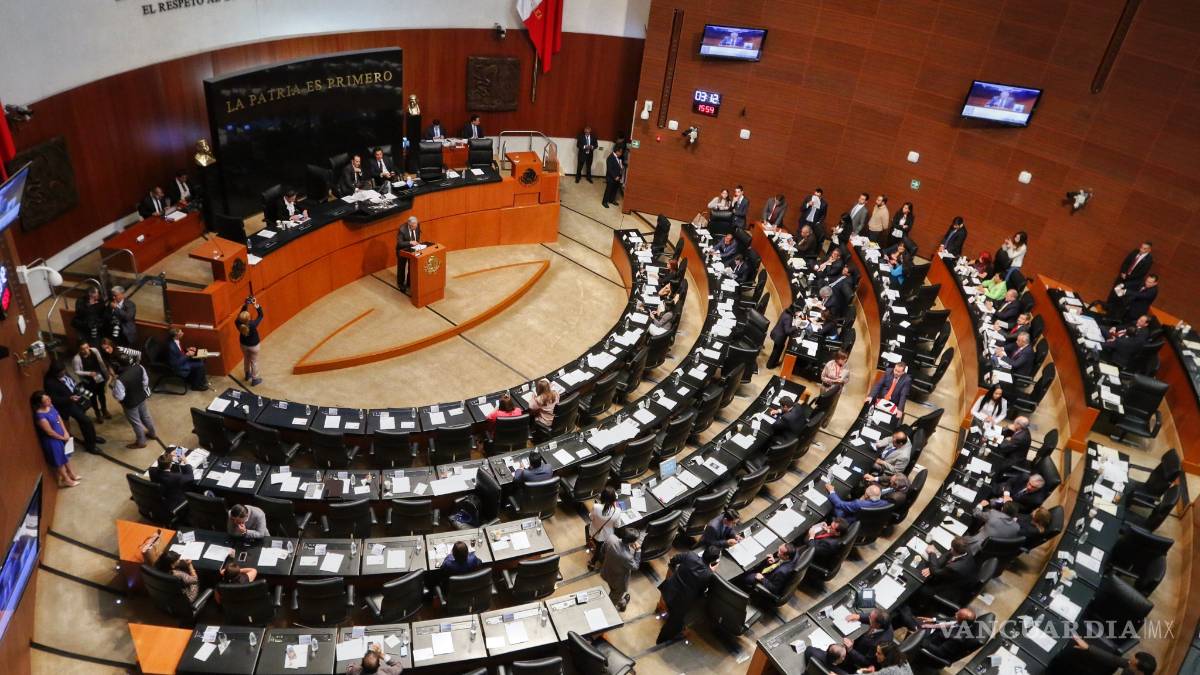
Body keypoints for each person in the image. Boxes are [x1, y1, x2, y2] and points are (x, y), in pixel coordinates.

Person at [656, 546, 720, 643]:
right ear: (714, 561)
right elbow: (701, 592)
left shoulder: (690, 555)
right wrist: (710, 571)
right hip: (680, 603)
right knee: (676, 622)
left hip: (668, 590)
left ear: (703, 553)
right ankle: (662, 640)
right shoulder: (709, 575)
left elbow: (673, 560)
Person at [43, 360, 103, 454]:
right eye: (61, 373)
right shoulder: (49, 383)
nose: (64, 373)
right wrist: (69, 398)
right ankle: (90, 446)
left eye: (64, 371)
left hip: (75, 399)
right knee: (86, 421)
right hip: (67, 405)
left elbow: (70, 382)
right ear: (55, 373)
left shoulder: (63, 373)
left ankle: (93, 438)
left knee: (84, 422)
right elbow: (54, 400)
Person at [31, 391, 82, 488]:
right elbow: (49, 432)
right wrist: (63, 438)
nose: (49, 400)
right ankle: (66, 480)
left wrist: (65, 432)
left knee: (66, 457)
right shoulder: (40, 416)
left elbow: (59, 419)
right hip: (52, 441)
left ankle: (72, 474)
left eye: (48, 398)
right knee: (60, 461)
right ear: (40, 403)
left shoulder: (51, 406)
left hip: (62, 436)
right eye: (46, 400)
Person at [913, 537, 977, 609]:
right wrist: (933, 566)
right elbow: (948, 554)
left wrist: (932, 553)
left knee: (923, 589)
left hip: (953, 587)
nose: (950, 549)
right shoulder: (965, 549)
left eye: (952, 548)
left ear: (954, 550)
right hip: (963, 577)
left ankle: (919, 606)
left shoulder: (955, 567)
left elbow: (936, 572)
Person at [111, 356, 158, 449]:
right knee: (146, 416)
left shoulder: (120, 380)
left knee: (136, 422)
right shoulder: (139, 367)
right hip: (141, 397)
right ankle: (152, 433)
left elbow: (120, 396)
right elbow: (145, 382)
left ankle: (141, 442)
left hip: (130, 403)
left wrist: (113, 389)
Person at [1066, 636, 1156, 675]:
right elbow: (1114, 659)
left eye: (1132, 664)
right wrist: (1088, 647)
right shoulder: (1132, 665)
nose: (1129, 662)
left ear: (1140, 673)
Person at [734, 542, 799, 595]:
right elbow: (780, 563)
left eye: (780, 551)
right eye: (779, 548)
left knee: (745, 576)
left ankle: (737, 585)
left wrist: (762, 579)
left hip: (765, 578)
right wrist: (774, 562)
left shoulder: (782, 571)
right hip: (770, 571)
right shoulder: (792, 556)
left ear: (786, 556)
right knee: (758, 564)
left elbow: (775, 589)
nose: (777, 550)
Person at [600, 529, 640, 612]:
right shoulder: (627, 557)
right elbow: (635, 567)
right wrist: (638, 551)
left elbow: (602, 550)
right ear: (632, 542)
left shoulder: (611, 538)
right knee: (612, 600)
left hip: (607, 572)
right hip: (618, 582)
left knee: (614, 592)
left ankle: (621, 602)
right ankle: (614, 608)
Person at [72, 341, 111, 422]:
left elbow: (101, 362)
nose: (86, 350)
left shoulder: (94, 351)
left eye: (87, 347)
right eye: (83, 349)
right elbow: (76, 371)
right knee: (92, 397)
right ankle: (97, 413)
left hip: (98, 376)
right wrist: (89, 373)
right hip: (88, 380)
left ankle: (104, 410)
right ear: (79, 350)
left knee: (102, 395)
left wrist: (106, 373)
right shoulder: (76, 359)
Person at [588, 486, 622, 569]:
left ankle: (593, 562)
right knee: (599, 548)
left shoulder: (596, 507)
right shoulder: (617, 511)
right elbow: (617, 525)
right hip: (607, 535)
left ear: (602, 497)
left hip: (594, 531)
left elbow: (591, 517)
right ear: (614, 499)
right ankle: (594, 561)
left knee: (598, 546)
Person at [766, 301, 806, 369]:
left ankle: (771, 363)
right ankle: (770, 365)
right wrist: (796, 326)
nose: (799, 313)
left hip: (776, 333)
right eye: (798, 312)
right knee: (776, 352)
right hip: (779, 337)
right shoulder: (788, 317)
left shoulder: (786, 311)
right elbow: (787, 331)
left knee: (776, 350)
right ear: (795, 310)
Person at [980, 473, 1047, 513]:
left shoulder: (1036, 500)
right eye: (1029, 483)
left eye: (1033, 487)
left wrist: (1009, 501)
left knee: (990, 505)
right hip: (1008, 492)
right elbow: (1010, 482)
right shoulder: (1024, 477)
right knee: (987, 490)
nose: (1029, 487)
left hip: (1011, 504)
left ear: (1038, 488)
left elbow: (1025, 509)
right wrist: (1006, 494)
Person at [236, 299, 265, 385]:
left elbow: (240, 316)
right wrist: (256, 305)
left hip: (243, 345)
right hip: (254, 346)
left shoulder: (237, 323)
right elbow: (261, 316)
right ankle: (255, 379)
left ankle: (247, 374)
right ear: (249, 318)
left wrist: (246, 305)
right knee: (254, 362)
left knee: (246, 358)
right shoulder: (253, 324)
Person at [395, 216, 422, 292]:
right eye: (413, 226)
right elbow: (400, 243)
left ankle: (409, 283)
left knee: (411, 267)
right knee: (401, 268)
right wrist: (410, 242)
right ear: (409, 224)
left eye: (416, 226)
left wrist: (417, 244)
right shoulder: (402, 229)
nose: (415, 228)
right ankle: (400, 284)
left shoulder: (417, 225)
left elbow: (417, 236)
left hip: (412, 250)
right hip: (402, 251)